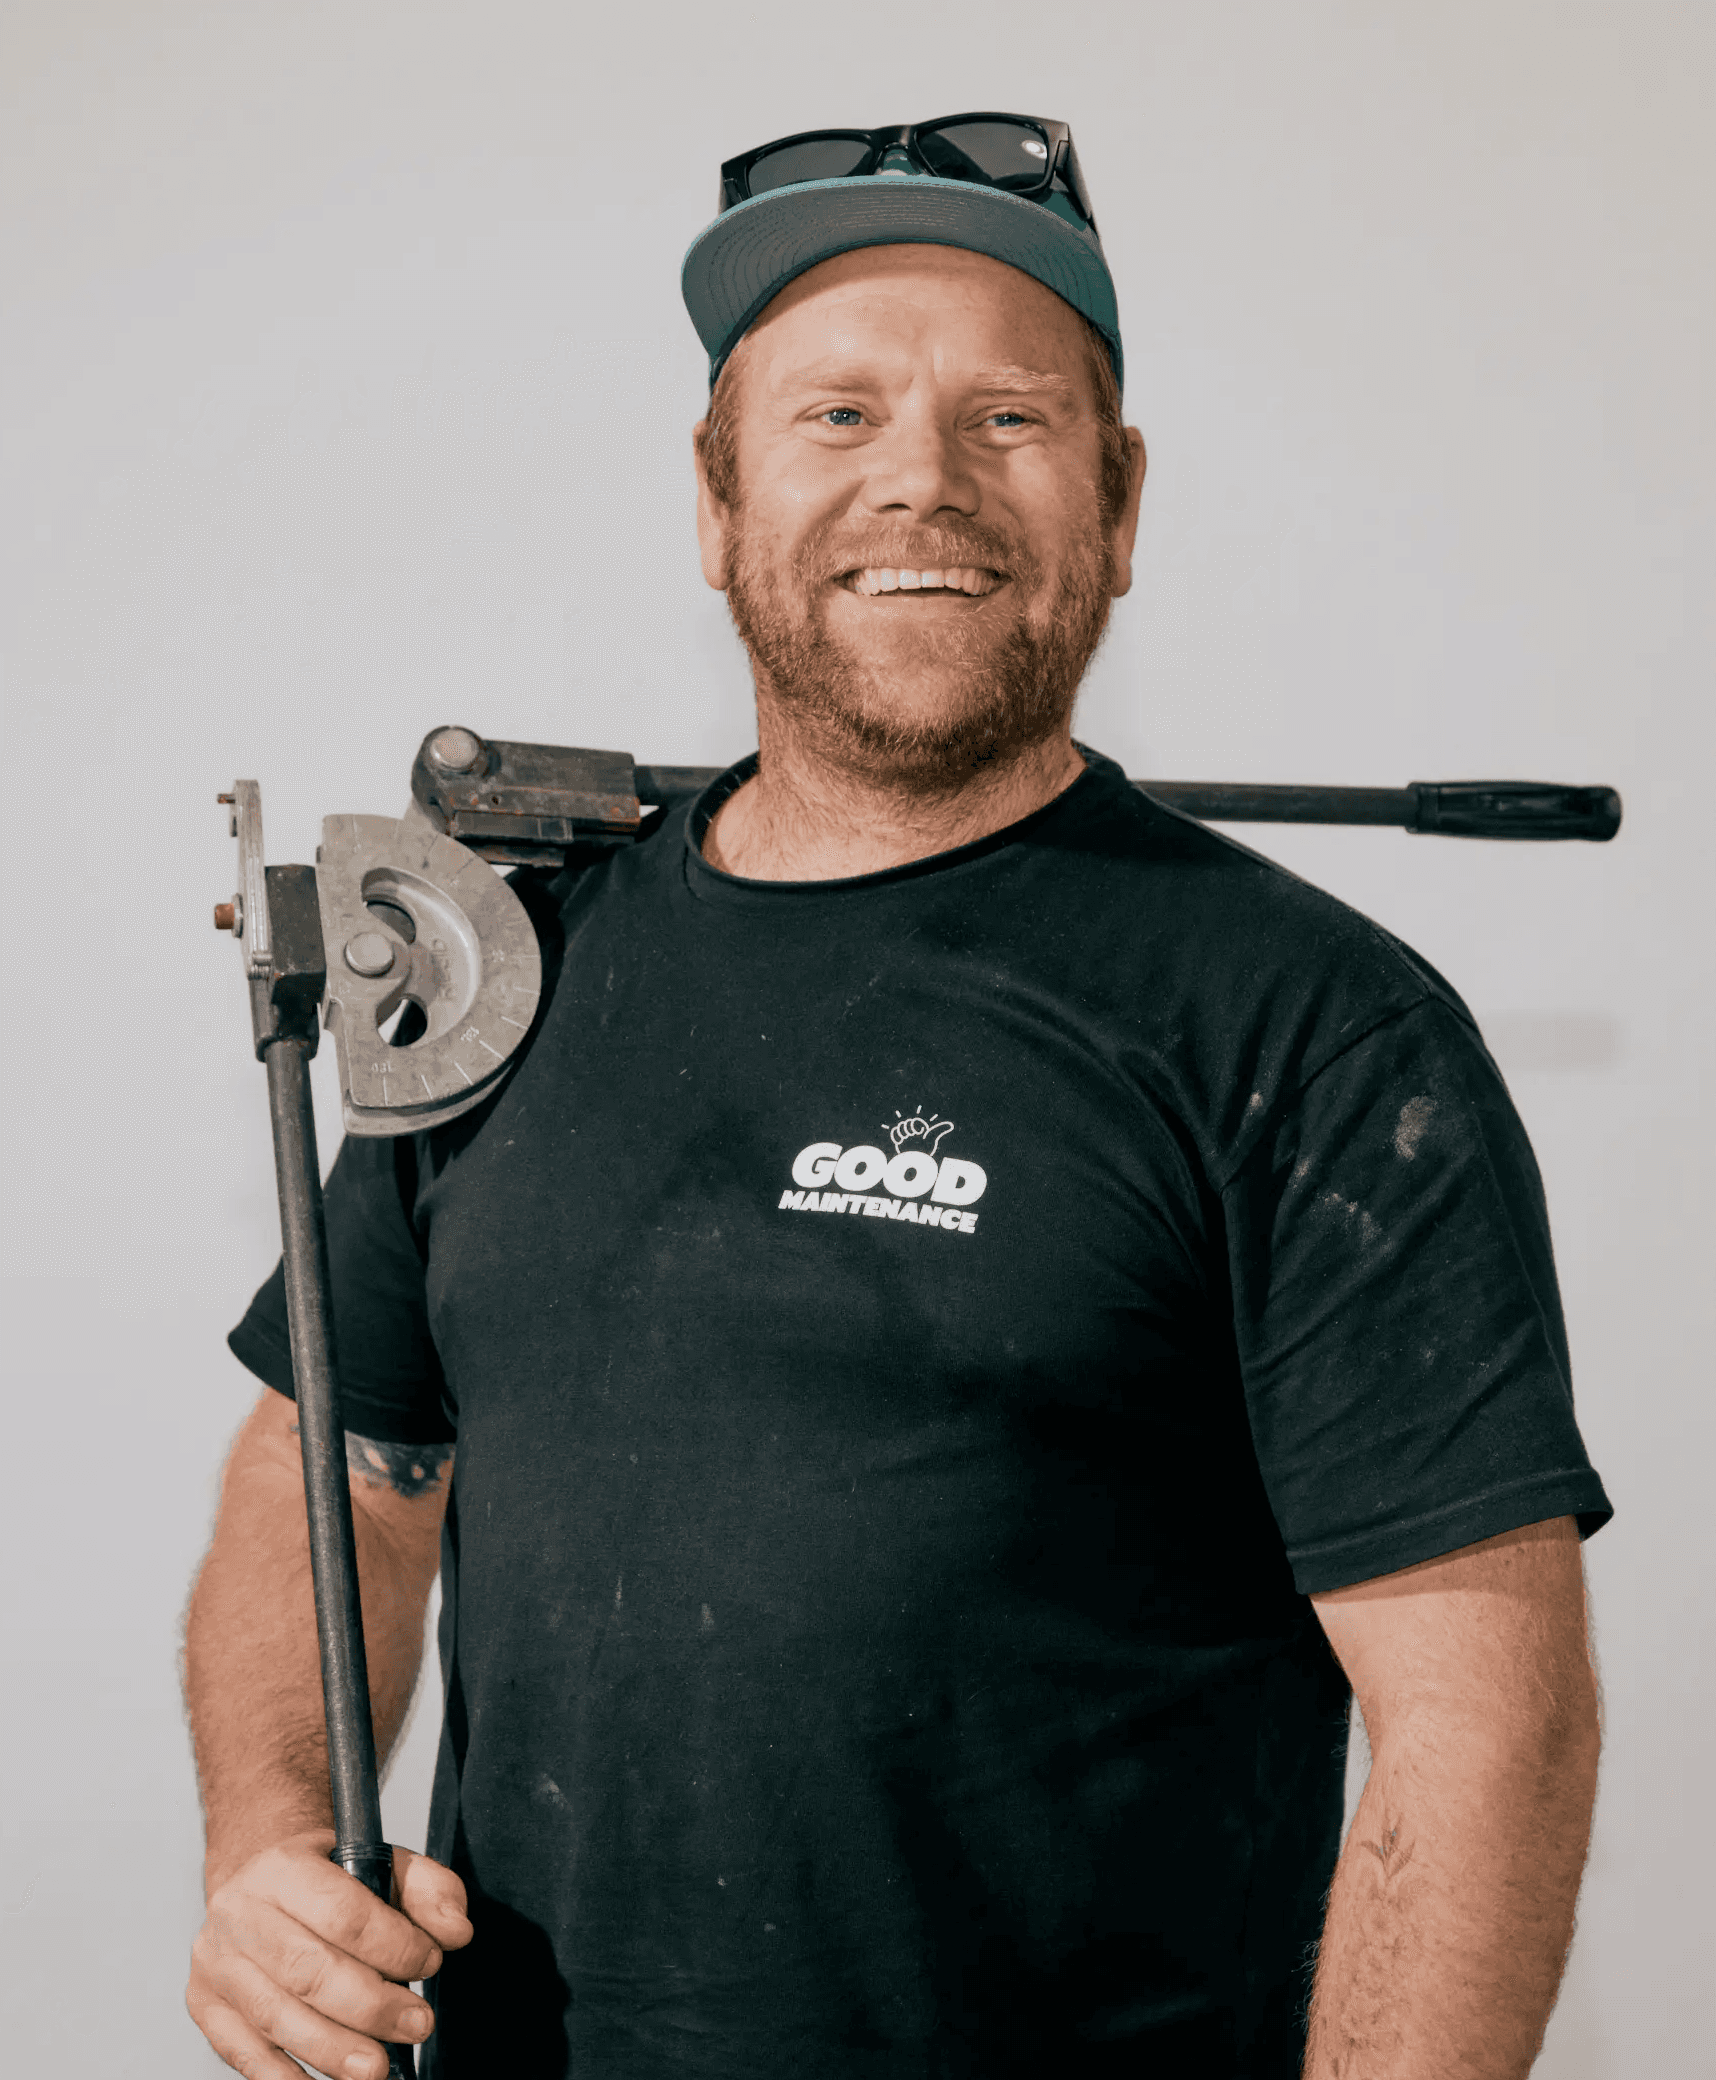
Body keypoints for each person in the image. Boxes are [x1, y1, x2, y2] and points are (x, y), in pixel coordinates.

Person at [183, 114, 1611, 2080]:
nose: (920, 481)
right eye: (837, 412)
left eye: (1009, 417)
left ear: (1118, 504)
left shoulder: (1318, 1030)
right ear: (716, 496)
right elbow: (338, 1458)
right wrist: (268, 1840)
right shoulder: (507, 963)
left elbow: (1484, 1732)